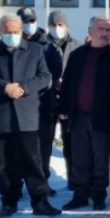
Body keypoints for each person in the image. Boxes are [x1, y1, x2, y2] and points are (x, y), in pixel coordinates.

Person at [0, 14, 60, 218]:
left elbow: (45, 77)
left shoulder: (35, 49)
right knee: (6, 162)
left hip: (28, 114)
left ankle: (39, 201)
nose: (12, 35)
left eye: (15, 32)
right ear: (0, 32)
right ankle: (9, 202)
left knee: (33, 161)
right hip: (2, 114)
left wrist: (23, 88)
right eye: (7, 32)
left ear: (21, 31)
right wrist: (5, 87)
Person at [57, 16, 110, 211]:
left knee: (101, 159)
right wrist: (63, 108)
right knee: (80, 158)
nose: (105, 33)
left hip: (103, 117)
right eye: (101, 29)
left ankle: (98, 196)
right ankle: (80, 195)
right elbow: (68, 82)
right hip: (78, 116)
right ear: (90, 31)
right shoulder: (78, 55)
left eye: (108, 30)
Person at [17, 7, 63, 193]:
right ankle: (18, 185)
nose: (28, 25)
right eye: (25, 21)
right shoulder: (10, 43)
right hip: (18, 105)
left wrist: (28, 86)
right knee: (20, 148)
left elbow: (53, 73)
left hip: (43, 103)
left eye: (31, 21)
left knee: (43, 147)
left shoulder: (48, 47)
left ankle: (42, 182)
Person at [46, 10, 83, 191]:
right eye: (53, 25)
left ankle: (74, 180)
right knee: (44, 142)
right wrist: (54, 81)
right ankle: (42, 181)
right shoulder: (41, 45)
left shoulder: (77, 45)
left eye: (60, 24)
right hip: (47, 98)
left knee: (71, 142)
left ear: (67, 26)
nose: (57, 28)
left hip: (70, 100)